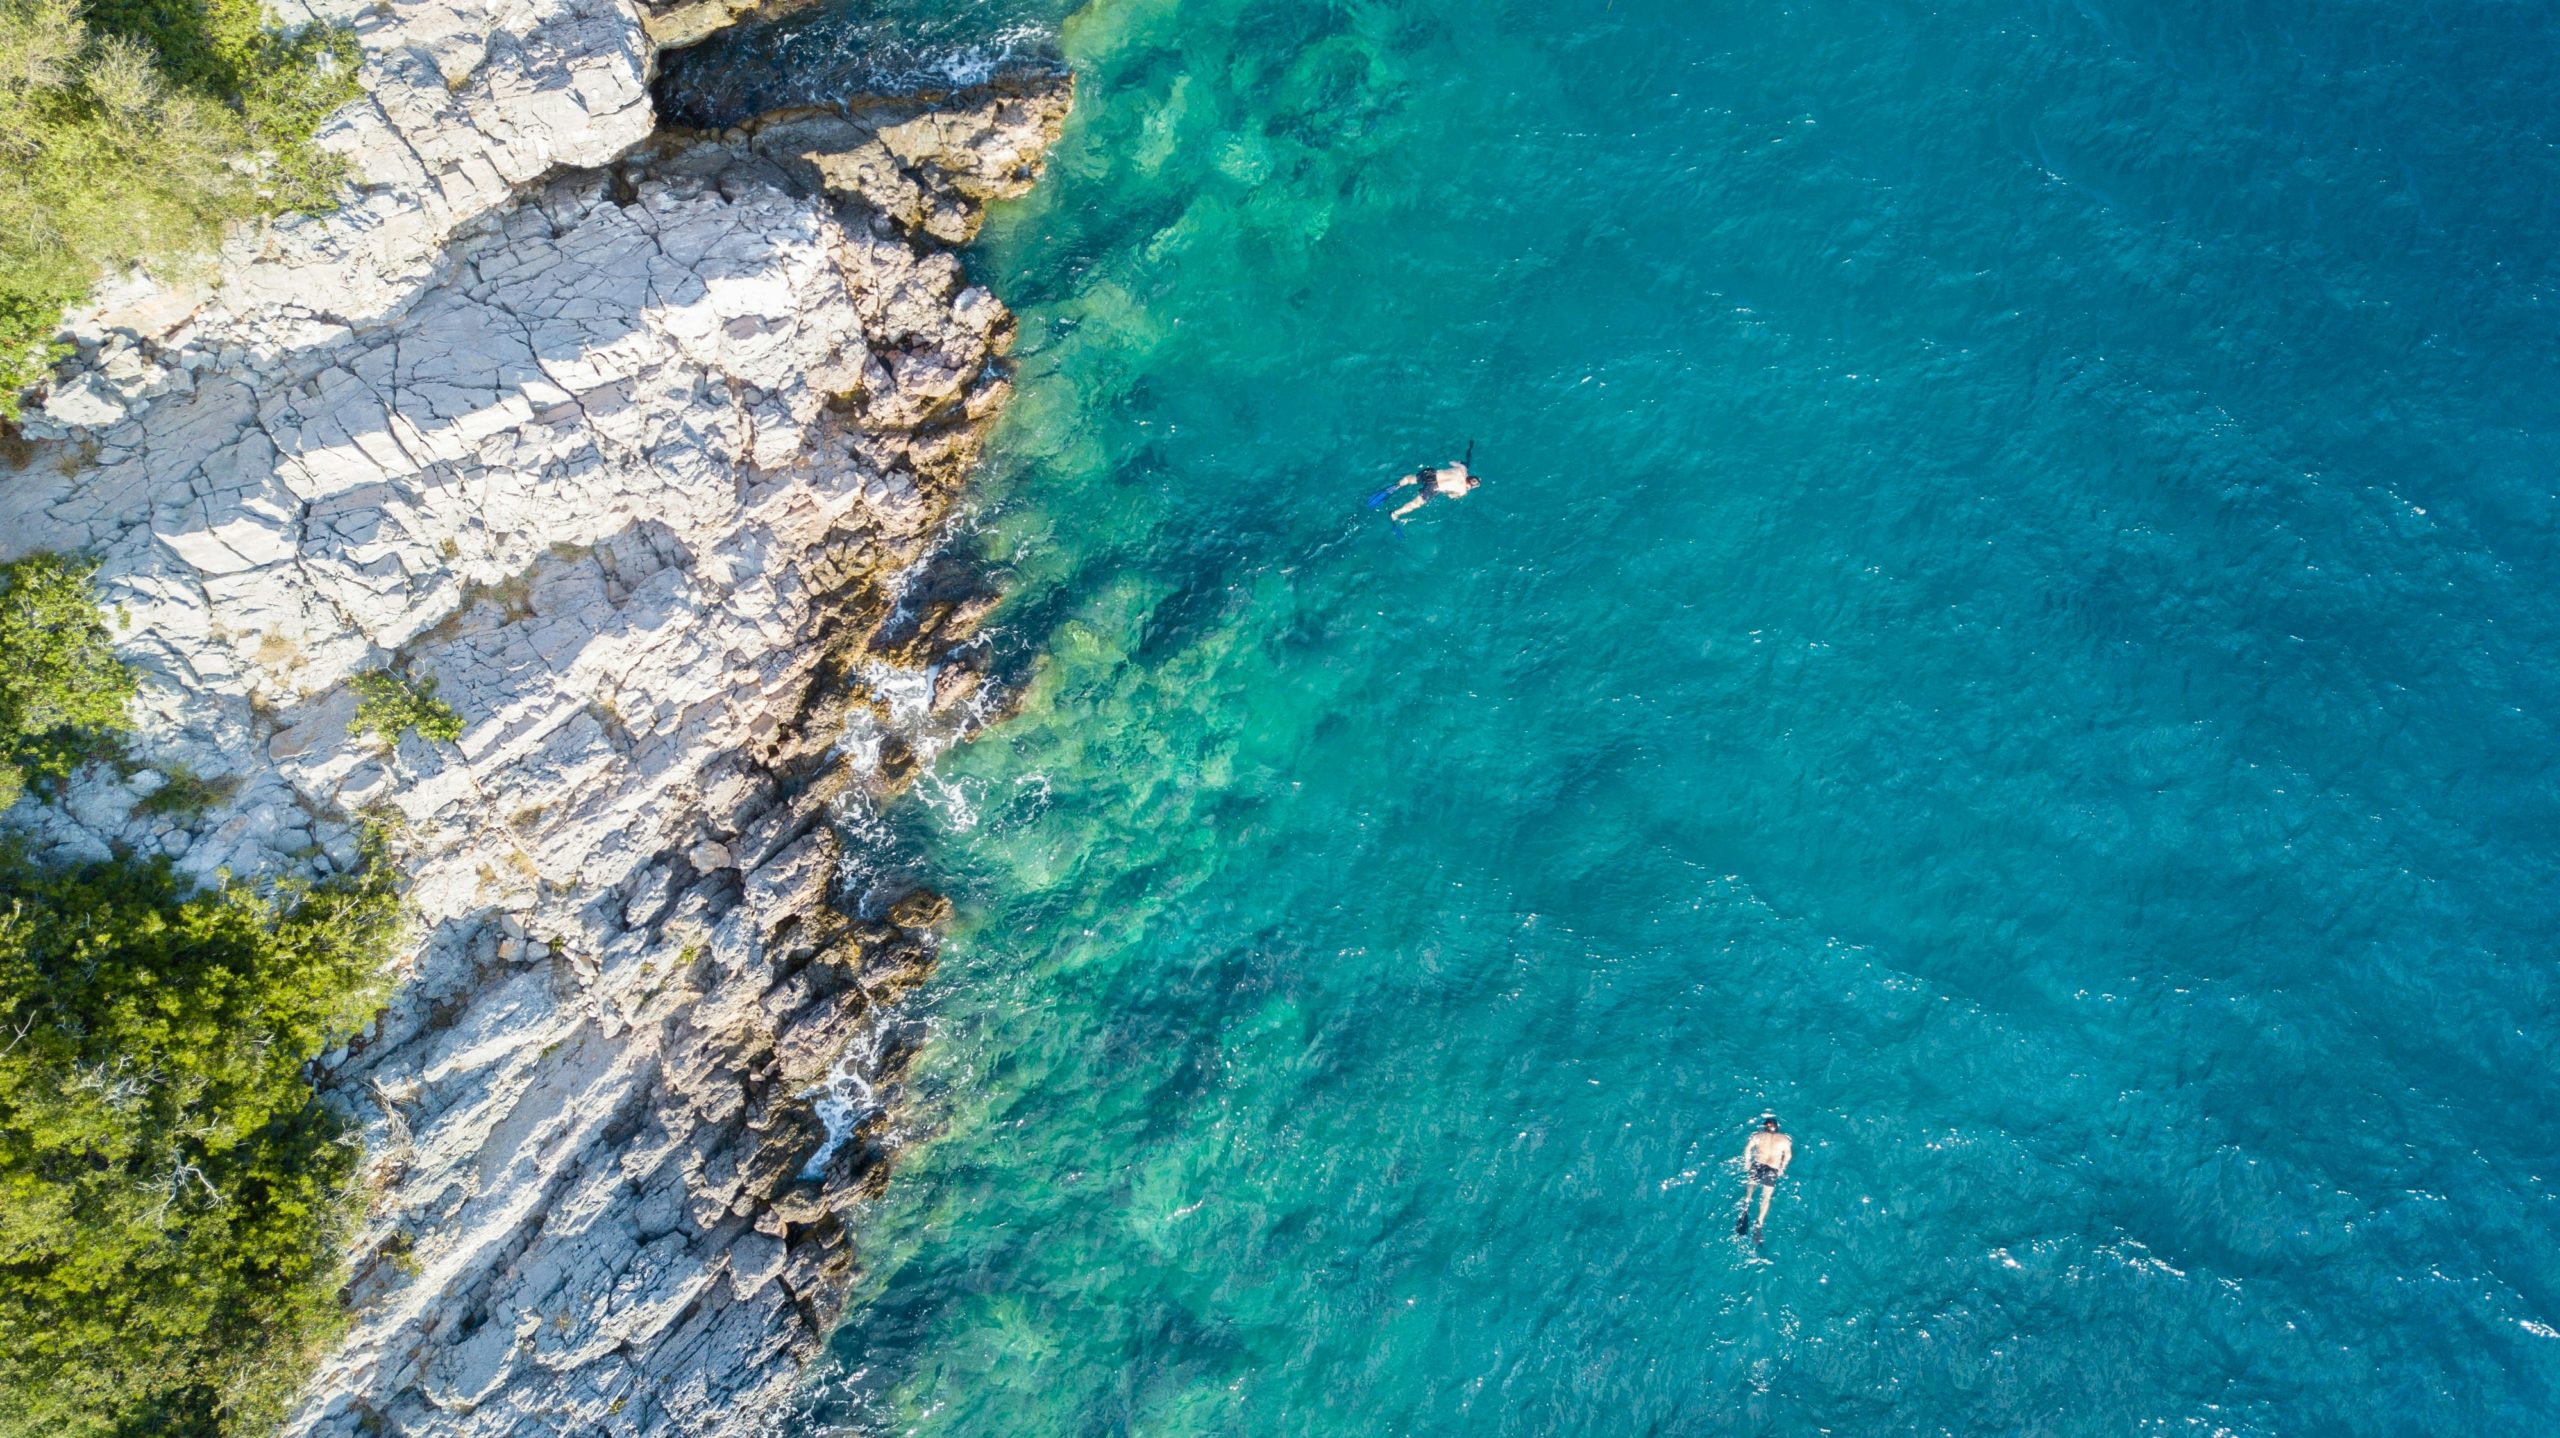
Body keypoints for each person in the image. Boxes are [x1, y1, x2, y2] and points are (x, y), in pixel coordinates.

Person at [1736, 1115, 1792, 1240]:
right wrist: (1782, 1168)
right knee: (1766, 1197)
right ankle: (1759, 1224)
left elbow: (1747, 1149)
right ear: (1777, 1127)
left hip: (1758, 1165)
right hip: (1772, 1168)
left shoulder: (1757, 1136)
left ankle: (1746, 1207)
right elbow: (1788, 1156)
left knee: (1751, 1184)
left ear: (1765, 1127)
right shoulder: (1784, 1139)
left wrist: (1747, 1163)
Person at [1388, 459, 1479, 521]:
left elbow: (1451, 462)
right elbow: (1450, 496)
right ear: (1470, 486)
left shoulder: (1462, 469)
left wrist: (1460, 463)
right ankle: (1395, 514)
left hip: (1431, 473)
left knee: (1410, 479)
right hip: (1434, 487)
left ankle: (1396, 486)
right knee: (1416, 503)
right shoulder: (1463, 491)